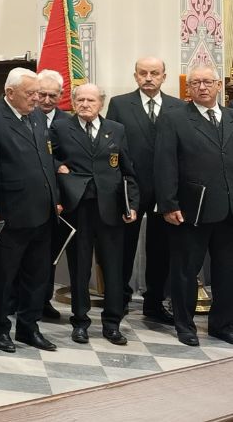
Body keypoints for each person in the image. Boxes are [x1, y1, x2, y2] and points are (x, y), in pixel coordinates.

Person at [0, 68, 60, 353]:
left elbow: (46, 159)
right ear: (10, 93)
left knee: (37, 276)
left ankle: (29, 327)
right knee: (4, 277)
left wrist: (55, 196)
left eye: (39, 93)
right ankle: (1, 328)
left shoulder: (37, 115)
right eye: (31, 93)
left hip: (43, 211)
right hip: (10, 213)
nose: (37, 99)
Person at [51, 83, 139, 346]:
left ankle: (112, 323)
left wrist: (131, 204)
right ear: (74, 102)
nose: (85, 104)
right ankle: (80, 322)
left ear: (101, 103)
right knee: (79, 268)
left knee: (113, 267)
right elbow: (46, 158)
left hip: (110, 210)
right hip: (78, 208)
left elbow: (128, 170)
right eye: (81, 100)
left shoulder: (117, 129)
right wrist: (59, 167)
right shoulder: (61, 128)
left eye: (91, 100)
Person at [154, 65, 233, 347]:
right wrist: (168, 204)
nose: (202, 87)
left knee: (227, 271)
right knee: (186, 270)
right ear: (189, 88)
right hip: (190, 209)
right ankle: (184, 325)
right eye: (196, 82)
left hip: (228, 210)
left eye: (208, 82)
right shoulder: (174, 119)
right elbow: (164, 165)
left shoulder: (230, 116)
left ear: (218, 86)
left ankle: (222, 324)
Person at [105, 57, 184, 324]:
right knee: (124, 246)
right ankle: (120, 299)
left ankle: (154, 303)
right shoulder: (119, 103)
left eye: (154, 73)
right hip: (131, 188)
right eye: (143, 73)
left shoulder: (178, 106)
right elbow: (111, 146)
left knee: (161, 248)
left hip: (166, 190)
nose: (148, 77)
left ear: (164, 76)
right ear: (135, 76)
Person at [35, 68, 71, 321]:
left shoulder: (68, 122)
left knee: (49, 255)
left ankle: (44, 300)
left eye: (53, 95)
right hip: (31, 198)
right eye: (42, 94)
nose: (47, 100)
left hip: (59, 200)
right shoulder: (25, 116)